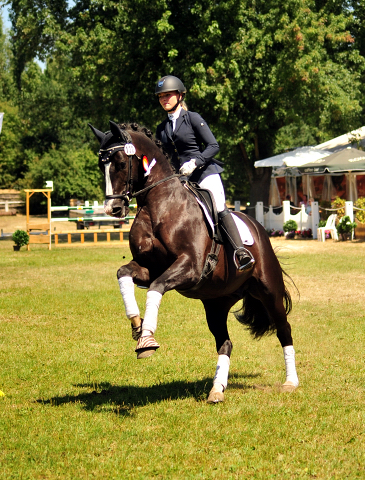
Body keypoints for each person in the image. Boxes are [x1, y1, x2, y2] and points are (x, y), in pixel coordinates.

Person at [155, 75, 254, 271]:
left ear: (180, 95)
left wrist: (195, 162)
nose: (165, 99)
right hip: (181, 178)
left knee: (218, 207)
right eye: (161, 96)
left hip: (204, 173)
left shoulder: (192, 118)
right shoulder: (162, 128)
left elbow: (213, 146)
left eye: (169, 95)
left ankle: (240, 252)